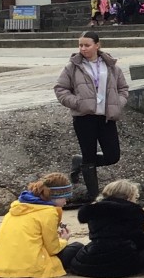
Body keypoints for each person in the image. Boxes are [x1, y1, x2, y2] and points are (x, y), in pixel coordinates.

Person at [54, 31, 130, 204]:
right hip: (84, 117)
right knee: (89, 156)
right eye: (80, 45)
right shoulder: (72, 67)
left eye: (87, 45)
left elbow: (123, 88)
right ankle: (94, 197)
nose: (83, 48)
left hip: (106, 116)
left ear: (97, 45)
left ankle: (79, 161)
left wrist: (118, 103)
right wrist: (77, 102)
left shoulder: (111, 66)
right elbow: (60, 89)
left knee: (113, 155)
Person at [0, 173, 81, 278]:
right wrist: (63, 240)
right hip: (30, 267)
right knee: (76, 247)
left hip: (0, 266)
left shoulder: (17, 207)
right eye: (65, 198)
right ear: (55, 196)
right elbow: (53, 249)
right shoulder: (49, 212)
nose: (66, 202)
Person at [68, 180, 144, 278]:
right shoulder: (133, 211)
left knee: (82, 247)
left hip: (91, 262)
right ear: (129, 197)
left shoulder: (94, 209)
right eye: (136, 197)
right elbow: (141, 241)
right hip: (121, 264)